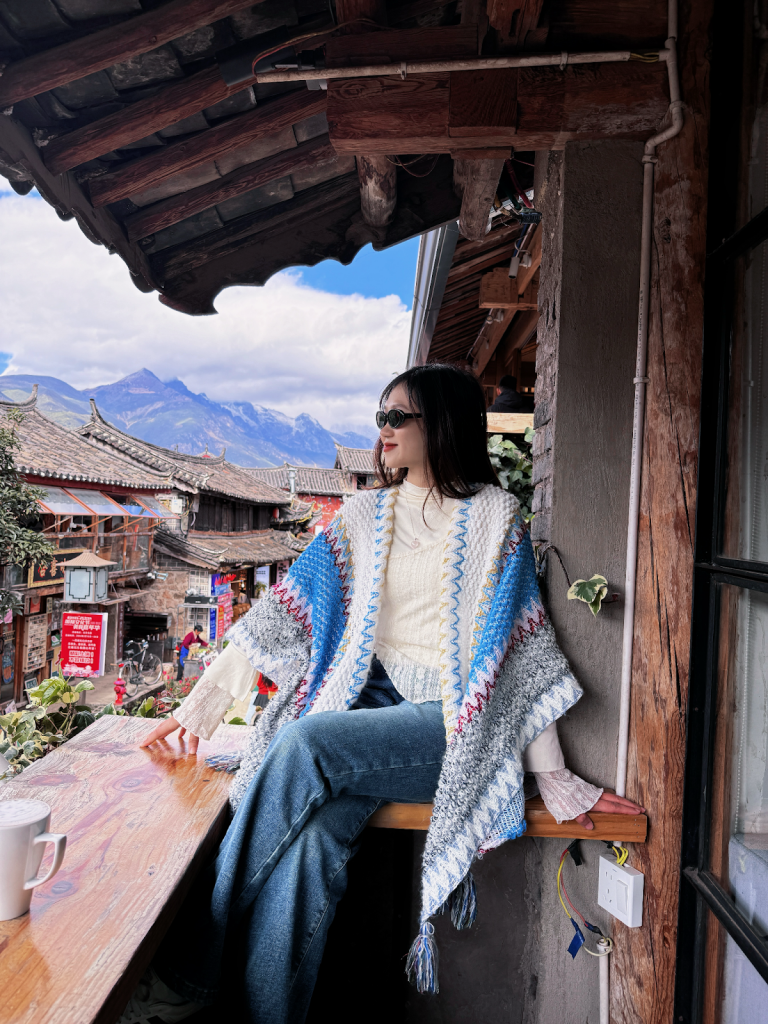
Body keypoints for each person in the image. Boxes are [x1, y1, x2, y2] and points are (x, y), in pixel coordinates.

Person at [126, 364, 644, 1024]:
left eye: (399, 416)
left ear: (443, 423)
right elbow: (285, 612)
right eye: (381, 416)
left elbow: (519, 649)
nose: (384, 430)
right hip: (369, 710)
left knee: (306, 742)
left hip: (451, 724)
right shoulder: (363, 515)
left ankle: (187, 972)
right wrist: (198, 709)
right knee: (311, 844)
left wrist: (553, 773)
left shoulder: (496, 517)